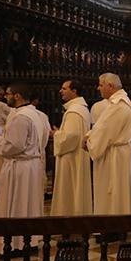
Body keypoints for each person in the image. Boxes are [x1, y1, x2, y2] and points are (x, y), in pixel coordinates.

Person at [0, 83, 46, 252]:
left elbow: (13, 146)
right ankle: (30, 240)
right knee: (29, 204)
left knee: (18, 204)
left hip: (20, 167)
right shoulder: (37, 114)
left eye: (8, 94)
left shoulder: (22, 117)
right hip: (32, 165)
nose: (5, 97)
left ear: (17, 96)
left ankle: (16, 244)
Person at [85, 73, 131, 215]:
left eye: (101, 85)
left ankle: (111, 225)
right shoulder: (122, 102)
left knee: (112, 191)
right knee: (118, 189)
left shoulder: (118, 105)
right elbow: (102, 127)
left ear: (110, 86)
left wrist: (88, 142)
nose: (98, 88)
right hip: (118, 153)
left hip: (113, 155)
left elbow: (104, 131)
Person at [51, 79, 92, 216]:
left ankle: (68, 220)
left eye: (64, 88)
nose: (60, 91)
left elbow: (71, 137)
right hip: (76, 156)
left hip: (71, 158)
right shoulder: (81, 109)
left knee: (69, 190)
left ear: (74, 91)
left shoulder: (74, 111)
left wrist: (56, 134)